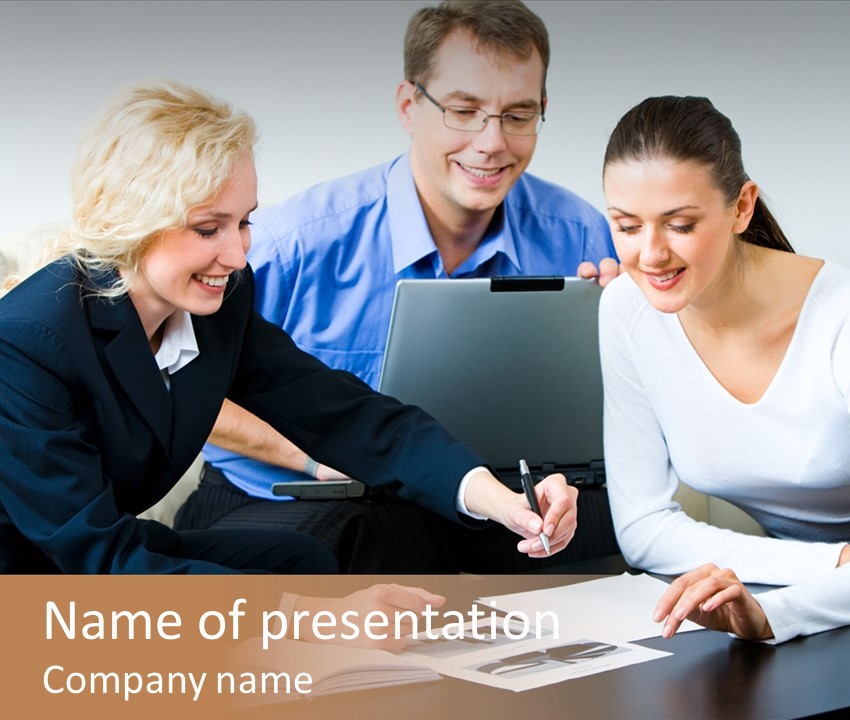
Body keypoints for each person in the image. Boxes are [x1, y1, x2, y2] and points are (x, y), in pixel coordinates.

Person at [0, 80, 577, 576]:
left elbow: (347, 415)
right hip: (35, 575)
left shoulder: (216, 305)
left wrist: (501, 502)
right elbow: (100, 563)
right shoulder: (27, 342)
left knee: (300, 558)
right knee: (305, 593)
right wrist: (306, 614)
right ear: (132, 222)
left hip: (97, 555)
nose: (237, 254)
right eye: (208, 229)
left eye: (245, 221)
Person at [178, 0, 618, 572]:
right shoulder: (291, 243)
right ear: (410, 106)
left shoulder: (584, 233)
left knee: (618, 531)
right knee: (356, 541)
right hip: (288, 493)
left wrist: (637, 324)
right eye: (464, 111)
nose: (492, 142)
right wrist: (312, 458)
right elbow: (180, 384)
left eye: (517, 114)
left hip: (496, 496)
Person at [599, 95, 850, 643]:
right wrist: (829, 563)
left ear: (742, 207)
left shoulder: (847, 310)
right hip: (820, 573)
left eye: (679, 225)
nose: (650, 255)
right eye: (627, 226)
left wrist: (769, 616)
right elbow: (643, 531)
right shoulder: (626, 311)